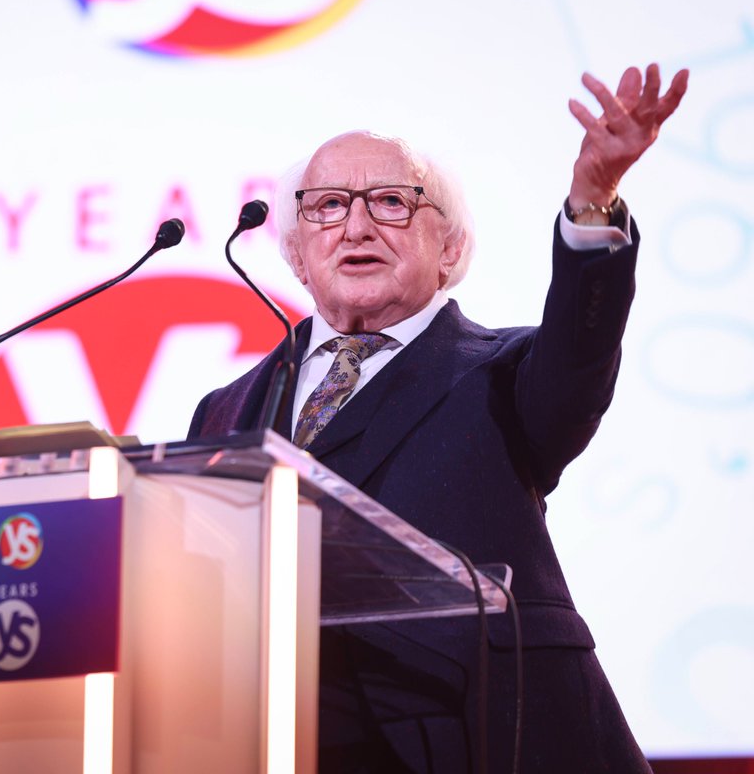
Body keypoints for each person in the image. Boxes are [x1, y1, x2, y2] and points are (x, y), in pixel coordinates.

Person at [188, 63, 689, 772]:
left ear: (449, 248)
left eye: (392, 201)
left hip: (489, 737)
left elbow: (582, 348)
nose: (356, 224)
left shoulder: (507, 370)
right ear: (297, 254)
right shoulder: (223, 410)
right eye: (327, 206)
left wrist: (593, 199)